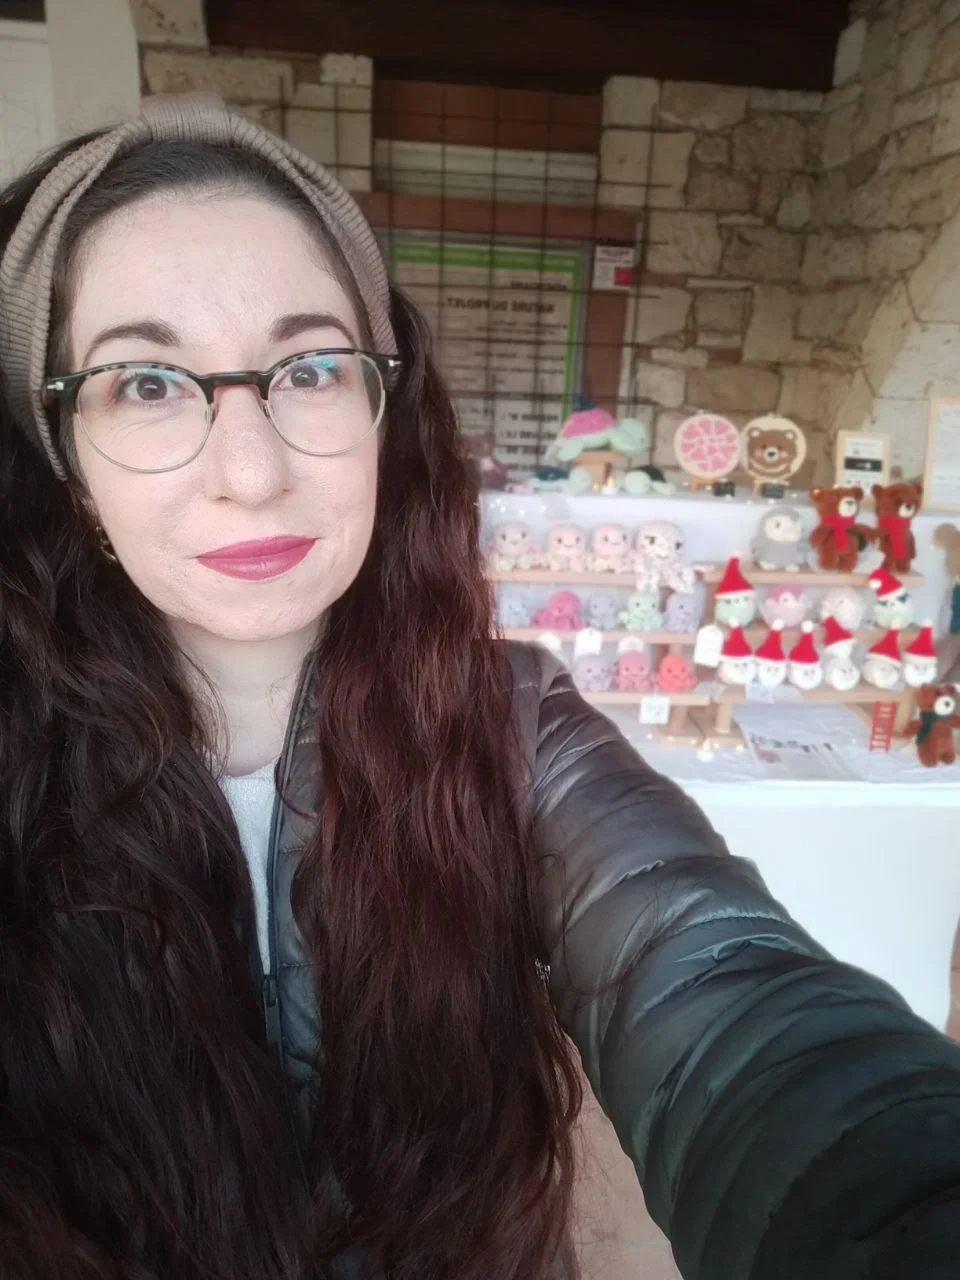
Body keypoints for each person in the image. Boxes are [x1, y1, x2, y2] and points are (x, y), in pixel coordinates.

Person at [0, 95, 958, 1280]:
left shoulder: (510, 720)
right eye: (146, 383)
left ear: (382, 410)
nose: (250, 470)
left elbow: (721, 990)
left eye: (311, 367)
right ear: (64, 456)